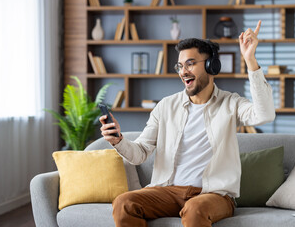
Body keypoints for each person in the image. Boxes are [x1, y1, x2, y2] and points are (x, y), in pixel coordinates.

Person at [99, 20, 275, 227]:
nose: (183, 71)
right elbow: (140, 153)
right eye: (180, 66)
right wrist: (118, 140)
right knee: (124, 202)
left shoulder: (230, 103)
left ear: (211, 65)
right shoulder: (166, 106)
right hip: (168, 191)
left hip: (213, 195)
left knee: (195, 209)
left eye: (190, 63)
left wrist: (250, 60)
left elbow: (264, 115)